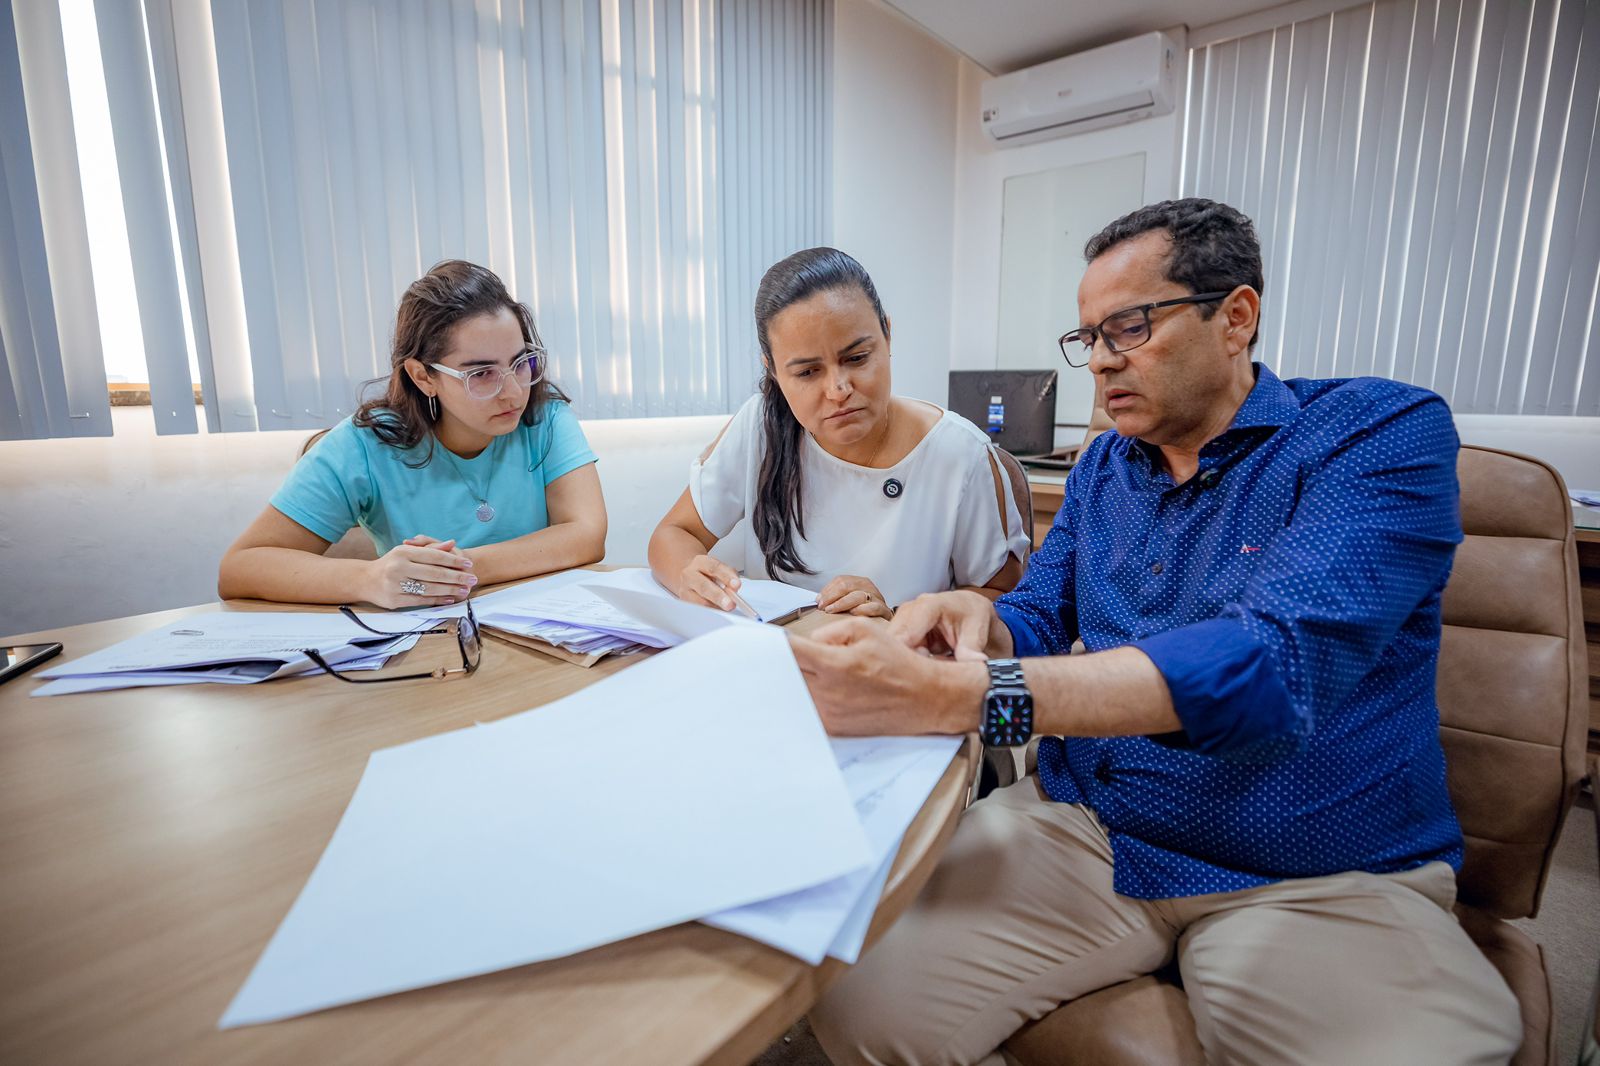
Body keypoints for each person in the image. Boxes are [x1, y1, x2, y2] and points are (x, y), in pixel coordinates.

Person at [793, 200, 1522, 1065]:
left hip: (1318, 865)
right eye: (1089, 336)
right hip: (1094, 825)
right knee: (850, 993)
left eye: (1129, 328)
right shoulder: (1103, 466)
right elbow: (1042, 615)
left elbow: (1271, 666)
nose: (1100, 361)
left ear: (1236, 317)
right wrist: (981, 622)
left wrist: (969, 694)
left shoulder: (1374, 435)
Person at [648, 247, 1028, 618]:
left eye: (857, 358)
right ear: (774, 372)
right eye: (807, 372)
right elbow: (674, 533)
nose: (838, 390)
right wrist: (690, 575)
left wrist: (898, 616)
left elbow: (1004, 602)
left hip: (898, 669)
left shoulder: (959, 454)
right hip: (778, 663)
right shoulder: (761, 426)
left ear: (888, 337)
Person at [219, 260, 606, 609]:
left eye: (521, 363)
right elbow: (240, 568)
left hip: (541, 626)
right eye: (481, 374)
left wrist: (457, 569)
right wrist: (368, 577)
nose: (513, 392)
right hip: (428, 641)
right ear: (423, 377)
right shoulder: (365, 445)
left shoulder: (545, 416)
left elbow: (586, 535)